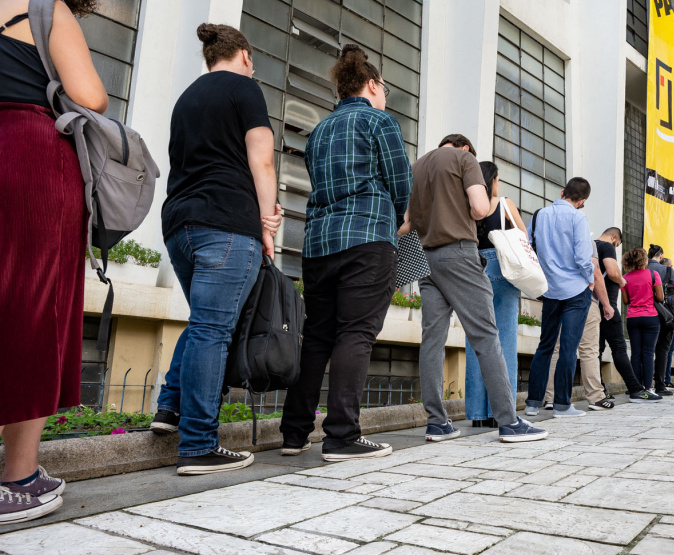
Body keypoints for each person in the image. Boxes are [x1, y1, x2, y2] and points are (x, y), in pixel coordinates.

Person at [151, 24, 282, 475]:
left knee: (205, 321)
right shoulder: (245, 90)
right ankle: (199, 445)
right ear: (243, 55)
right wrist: (268, 221)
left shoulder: (187, 97)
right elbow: (261, 157)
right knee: (213, 330)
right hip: (226, 222)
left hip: (179, 224)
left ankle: (168, 410)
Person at [0, 0, 108, 522]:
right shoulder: (45, 8)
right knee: (31, 306)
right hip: (29, 150)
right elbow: (91, 96)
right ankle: (17, 478)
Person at [278, 45, 412, 461]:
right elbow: (400, 184)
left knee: (317, 336)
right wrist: (393, 218)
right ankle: (341, 435)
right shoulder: (379, 121)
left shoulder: (319, 130)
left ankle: (294, 433)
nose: (385, 95)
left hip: (319, 244)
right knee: (356, 332)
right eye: (384, 87)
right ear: (371, 84)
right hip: (367, 239)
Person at [407, 134, 547, 442]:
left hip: (426, 257)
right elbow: (481, 208)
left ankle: (437, 422)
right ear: (466, 148)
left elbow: (405, 223)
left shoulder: (415, 167)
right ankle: (509, 421)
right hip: (458, 254)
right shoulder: (463, 159)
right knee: (486, 334)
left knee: (432, 340)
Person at [523, 178, 597, 418]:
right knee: (568, 347)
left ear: (563, 191)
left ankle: (533, 403)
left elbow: (528, 246)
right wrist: (590, 280)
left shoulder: (540, 215)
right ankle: (562, 406)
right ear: (582, 201)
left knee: (545, 345)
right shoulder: (579, 218)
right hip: (575, 290)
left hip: (550, 289)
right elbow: (583, 257)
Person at [463, 162, 525, 427]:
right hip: (503, 271)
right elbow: (523, 238)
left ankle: (478, 414)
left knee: (477, 341)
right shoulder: (504, 204)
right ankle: (503, 411)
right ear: (494, 180)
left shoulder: (466, 205)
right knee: (505, 342)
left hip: (474, 271)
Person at [542, 241, 616, 412]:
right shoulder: (584, 238)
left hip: (555, 298)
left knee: (556, 349)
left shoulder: (548, 236)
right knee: (588, 350)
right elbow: (595, 272)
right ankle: (595, 397)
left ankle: (551, 398)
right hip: (582, 299)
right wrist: (606, 303)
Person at [596, 229, 661, 403]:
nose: (615, 248)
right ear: (614, 237)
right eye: (617, 245)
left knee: (596, 351)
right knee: (619, 348)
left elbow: (625, 300)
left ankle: (600, 391)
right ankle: (636, 389)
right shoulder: (606, 246)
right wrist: (620, 281)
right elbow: (612, 272)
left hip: (593, 307)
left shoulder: (589, 246)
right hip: (608, 306)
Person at [621, 248, 664, 393]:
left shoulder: (625, 278)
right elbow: (660, 298)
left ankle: (635, 387)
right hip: (651, 317)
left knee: (635, 353)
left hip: (633, 317)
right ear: (644, 260)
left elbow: (625, 301)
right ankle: (648, 387)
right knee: (648, 353)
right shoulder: (653, 274)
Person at [647, 244, 674, 395]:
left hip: (642, 313)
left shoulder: (640, 269)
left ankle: (641, 385)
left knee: (644, 350)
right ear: (661, 256)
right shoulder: (667, 270)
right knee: (662, 349)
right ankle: (660, 385)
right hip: (663, 314)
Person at [660, 259, 674, 390]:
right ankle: (665, 380)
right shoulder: (669, 274)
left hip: (656, 316)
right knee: (667, 349)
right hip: (671, 318)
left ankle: (661, 380)